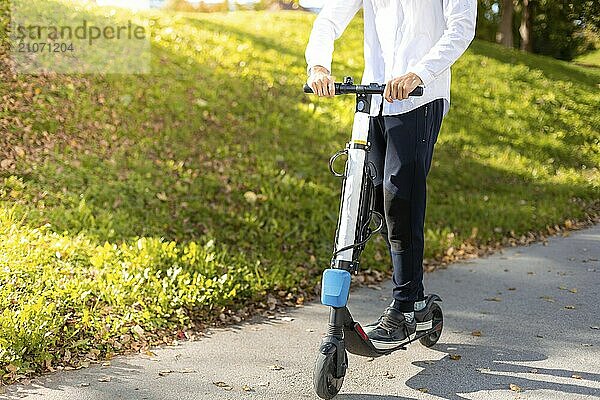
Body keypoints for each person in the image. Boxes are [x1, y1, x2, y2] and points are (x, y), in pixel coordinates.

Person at [305, 0, 476, 349]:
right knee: (379, 204)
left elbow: (461, 28)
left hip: (419, 97)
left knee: (401, 196)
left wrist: (419, 73)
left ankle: (406, 308)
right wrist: (319, 65)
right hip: (375, 98)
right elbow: (330, 19)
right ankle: (415, 299)